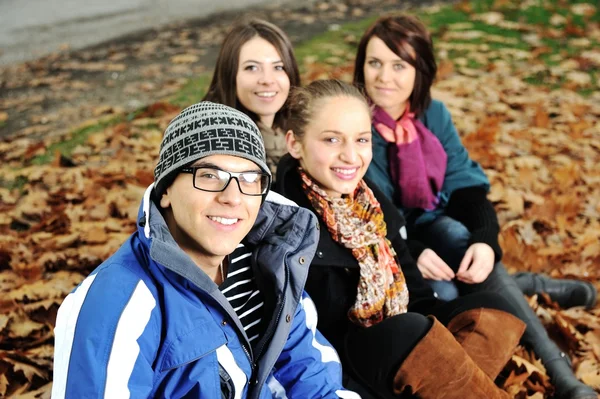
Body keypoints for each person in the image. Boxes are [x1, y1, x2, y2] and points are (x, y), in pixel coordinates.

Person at [353, 14, 597, 399]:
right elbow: (362, 214)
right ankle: (530, 286)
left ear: (421, 71)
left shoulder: (433, 115)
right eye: (374, 63)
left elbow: (466, 188)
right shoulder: (353, 122)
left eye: (399, 65)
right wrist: (412, 254)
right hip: (388, 247)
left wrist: (485, 241)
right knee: (448, 298)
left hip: (438, 228)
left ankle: (559, 371)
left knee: (457, 235)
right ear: (361, 66)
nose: (384, 76)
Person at [51, 102, 360, 399]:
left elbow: (313, 379)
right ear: (167, 189)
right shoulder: (115, 304)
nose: (232, 197)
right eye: (210, 176)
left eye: (250, 179)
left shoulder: (270, 266)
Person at [276, 79, 527, 399]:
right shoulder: (287, 220)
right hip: (344, 361)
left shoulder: (371, 203)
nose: (350, 156)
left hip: (400, 339)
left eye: (361, 140)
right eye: (331, 140)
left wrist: (441, 332)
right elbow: (303, 335)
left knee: (494, 309)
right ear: (295, 144)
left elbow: (417, 295)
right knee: (408, 331)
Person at [204, 18, 300, 175]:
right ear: (230, 75)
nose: (268, 80)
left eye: (278, 67)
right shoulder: (215, 143)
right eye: (252, 67)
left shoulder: (303, 130)